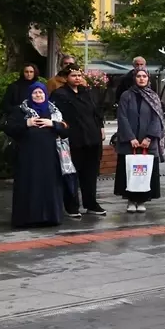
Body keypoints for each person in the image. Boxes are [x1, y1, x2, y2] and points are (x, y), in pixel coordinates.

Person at [4, 82, 70, 228]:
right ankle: (27, 219)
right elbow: (9, 128)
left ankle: (50, 217)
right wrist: (26, 123)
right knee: (29, 185)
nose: (38, 95)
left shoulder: (54, 111)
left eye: (41, 93)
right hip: (27, 157)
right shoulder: (20, 111)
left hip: (50, 157)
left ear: (45, 94)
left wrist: (52, 123)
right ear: (30, 94)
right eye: (35, 93)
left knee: (49, 186)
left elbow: (66, 130)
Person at [51, 67, 106, 218]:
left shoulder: (87, 92)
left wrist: (100, 128)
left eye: (79, 75)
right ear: (66, 77)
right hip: (73, 140)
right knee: (71, 174)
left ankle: (91, 203)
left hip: (91, 139)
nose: (77, 78)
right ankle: (71, 205)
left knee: (90, 173)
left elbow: (97, 113)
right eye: (73, 75)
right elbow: (57, 116)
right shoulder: (59, 94)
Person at [114, 68, 165, 213]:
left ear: (148, 78)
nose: (142, 79)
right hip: (129, 142)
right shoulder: (126, 95)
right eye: (138, 76)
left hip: (148, 143)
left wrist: (149, 137)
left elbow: (157, 118)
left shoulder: (154, 96)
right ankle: (130, 200)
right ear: (134, 78)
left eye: (144, 76)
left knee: (145, 172)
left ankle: (142, 200)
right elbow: (122, 117)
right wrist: (131, 138)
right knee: (129, 171)